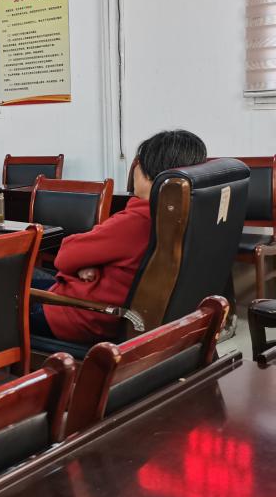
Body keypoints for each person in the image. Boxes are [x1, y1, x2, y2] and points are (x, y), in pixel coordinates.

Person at [29, 129, 208, 344]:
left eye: (138, 164)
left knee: (2, 286)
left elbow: (65, 256)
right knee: (25, 277)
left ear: (151, 174)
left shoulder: (139, 220)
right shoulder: (188, 217)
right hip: (122, 313)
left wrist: (85, 262)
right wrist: (91, 262)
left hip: (78, 315)